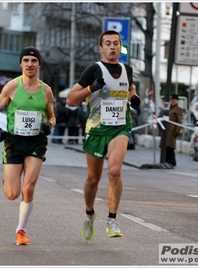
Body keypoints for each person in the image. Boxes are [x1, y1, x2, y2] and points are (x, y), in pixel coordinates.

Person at [66, 30, 140, 240]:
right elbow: (70, 100)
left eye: (116, 43)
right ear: (101, 48)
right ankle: (89, 213)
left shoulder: (127, 69)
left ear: (120, 47)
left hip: (120, 126)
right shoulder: (93, 69)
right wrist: (92, 87)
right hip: (97, 130)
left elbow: (130, 88)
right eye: (108, 44)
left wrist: (134, 98)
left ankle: (112, 220)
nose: (112, 47)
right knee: (93, 178)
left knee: (114, 170)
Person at [0, 46, 56, 246]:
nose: (30, 64)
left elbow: (53, 117)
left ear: (39, 64)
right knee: (12, 194)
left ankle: (21, 231)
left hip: (36, 141)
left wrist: (49, 124)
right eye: (26, 60)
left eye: (34, 61)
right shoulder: (11, 87)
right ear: (20, 64)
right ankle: (8, 181)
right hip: (14, 142)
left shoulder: (46, 91)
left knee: (28, 187)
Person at [165, 94, 183, 167]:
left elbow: (179, 121)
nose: (172, 101)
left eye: (174, 100)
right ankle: (167, 161)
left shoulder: (178, 109)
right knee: (166, 146)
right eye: (172, 99)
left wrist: (177, 131)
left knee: (170, 146)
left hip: (172, 130)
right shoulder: (169, 108)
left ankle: (172, 162)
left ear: (177, 101)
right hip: (167, 130)